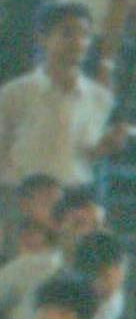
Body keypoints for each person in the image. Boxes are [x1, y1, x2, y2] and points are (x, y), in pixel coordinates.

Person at [0, 18, 107, 243]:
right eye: (67, 33)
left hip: (73, 197)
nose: (78, 42)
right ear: (43, 38)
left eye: (85, 35)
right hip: (22, 196)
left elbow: (89, 153)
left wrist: (106, 147)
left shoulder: (99, 97)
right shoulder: (15, 92)